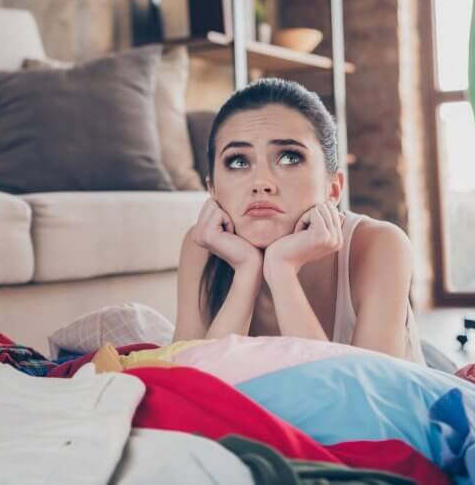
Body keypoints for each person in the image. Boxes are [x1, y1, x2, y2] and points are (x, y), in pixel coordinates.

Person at [173, 78, 426, 364]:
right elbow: (188, 388)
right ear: (213, 190)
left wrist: (282, 272)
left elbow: (357, 402)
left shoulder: (381, 245)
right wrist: (246, 273)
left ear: (333, 187)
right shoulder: (202, 245)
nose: (261, 183)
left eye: (289, 157)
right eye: (238, 162)